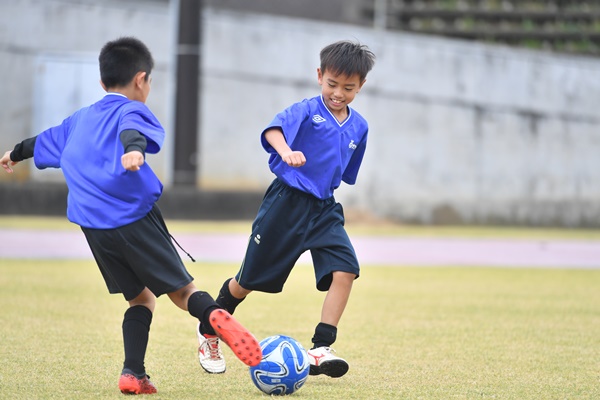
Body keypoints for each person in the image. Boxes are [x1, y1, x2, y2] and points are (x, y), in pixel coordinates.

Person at [0, 36, 261, 395]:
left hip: (94, 229)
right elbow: (131, 133)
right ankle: (215, 317)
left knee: (140, 299)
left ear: (102, 80)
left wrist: (13, 154)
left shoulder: (79, 119)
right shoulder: (131, 109)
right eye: (150, 82)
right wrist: (134, 152)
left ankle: (133, 373)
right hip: (132, 218)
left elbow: (41, 141)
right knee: (183, 291)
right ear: (141, 79)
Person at [196, 40, 375, 378]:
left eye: (348, 88)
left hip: (324, 208)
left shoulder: (359, 127)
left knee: (346, 270)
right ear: (319, 76)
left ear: (361, 86)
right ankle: (209, 329)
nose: (338, 93)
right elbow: (274, 130)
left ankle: (321, 347)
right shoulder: (306, 110)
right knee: (247, 281)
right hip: (285, 204)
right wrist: (287, 150)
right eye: (332, 84)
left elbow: (344, 171)